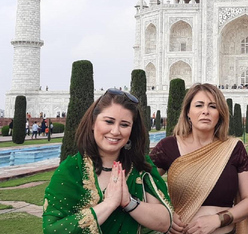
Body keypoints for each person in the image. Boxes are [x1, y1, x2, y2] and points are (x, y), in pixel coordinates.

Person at [43, 88, 173, 233]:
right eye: (109, 122)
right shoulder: (71, 170)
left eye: (124, 125)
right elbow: (52, 229)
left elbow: (165, 221)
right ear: (93, 123)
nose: (116, 131)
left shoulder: (140, 166)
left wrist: (129, 202)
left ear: (131, 130)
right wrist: (109, 204)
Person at [150, 83, 248, 234]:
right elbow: (142, 181)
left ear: (220, 113)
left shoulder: (233, 148)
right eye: (199, 105)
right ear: (188, 112)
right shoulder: (168, 147)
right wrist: (166, 211)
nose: (205, 111)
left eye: (213, 106)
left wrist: (217, 220)